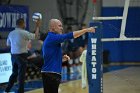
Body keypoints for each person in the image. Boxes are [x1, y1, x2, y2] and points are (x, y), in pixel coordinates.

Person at [41, 19, 95, 93]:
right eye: (59, 26)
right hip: (51, 74)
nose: (62, 28)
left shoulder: (52, 38)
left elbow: (48, 57)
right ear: (53, 27)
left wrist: (60, 59)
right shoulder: (52, 37)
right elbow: (69, 35)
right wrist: (86, 30)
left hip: (50, 73)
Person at [5, 18, 41, 93]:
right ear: (22, 24)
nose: (25, 25)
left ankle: (7, 89)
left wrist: (16, 44)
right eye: (24, 23)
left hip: (13, 56)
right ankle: (20, 91)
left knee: (14, 73)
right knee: (21, 75)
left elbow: (8, 44)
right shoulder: (24, 33)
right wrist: (37, 26)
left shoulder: (11, 33)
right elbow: (36, 36)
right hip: (22, 56)